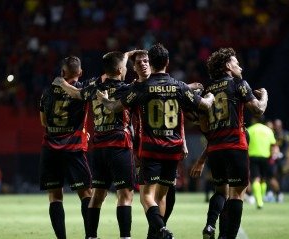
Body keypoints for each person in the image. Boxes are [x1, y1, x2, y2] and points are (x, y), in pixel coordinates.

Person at [99, 43, 215, 239]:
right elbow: (203, 105)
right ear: (168, 62)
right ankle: (157, 232)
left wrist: (104, 100)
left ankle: (160, 229)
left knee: (146, 196)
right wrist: (210, 96)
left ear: (150, 63)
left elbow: (116, 107)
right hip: (172, 148)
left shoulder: (141, 88)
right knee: (162, 195)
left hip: (150, 148)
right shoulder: (178, 85)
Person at [189, 47, 268, 239]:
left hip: (215, 150)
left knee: (220, 191)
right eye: (236, 63)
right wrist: (265, 95)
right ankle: (228, 236)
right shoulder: (238, 84)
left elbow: (205, 126)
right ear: (227, 66)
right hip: (235, 146)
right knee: (237, 195)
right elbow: (258, 110)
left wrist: (204, 155)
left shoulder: (207, 90)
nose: (240, 66)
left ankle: (212, 227)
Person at [58, 51, 136, 239]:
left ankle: (91, 236)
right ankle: (125, 236)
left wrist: (61, 83)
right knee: (125, 196)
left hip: (99, 148)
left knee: (98, 195)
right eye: (124, 67)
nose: (126, 69)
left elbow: (76, 93)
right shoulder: (126, 89)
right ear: (119, 70)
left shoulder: (94, 87)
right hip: (119, 144)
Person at [39, 56, 93, 239]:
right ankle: (89, 236)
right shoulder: (83, 89)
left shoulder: (46, 92)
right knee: (86, 194)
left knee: (55, 196)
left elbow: (43, 121)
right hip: (74, 149)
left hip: (50, 149)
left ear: (62, 73)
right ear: (80, 73)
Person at [247, 116, 277, 209]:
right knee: (263, 179)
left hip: (253, 156)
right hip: (266, 157)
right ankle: (261, 198)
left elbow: (244, 143)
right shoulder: (268, 130)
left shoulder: (249, 130)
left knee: (255, 179)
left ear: (254, 119)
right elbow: (273, 145)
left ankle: (259, 201)